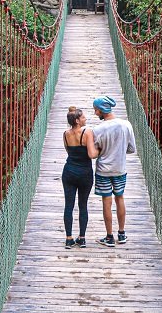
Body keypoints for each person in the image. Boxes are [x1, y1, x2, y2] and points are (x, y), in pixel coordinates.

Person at [90, 95, 136, 247]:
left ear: (102, 110)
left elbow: (96, 150)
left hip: (103, 171)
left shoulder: (97, 129)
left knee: (106, 202)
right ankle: (121, 234)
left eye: (96, 110)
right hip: (120, 169)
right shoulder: (126, 124)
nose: (95, 113)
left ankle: (109, 237)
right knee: (120, 198)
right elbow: (131, 149)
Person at [61, 106, 98, 248]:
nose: (85, 119)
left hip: (69, 172)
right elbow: (91, 154)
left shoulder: (65, 134)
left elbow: (68, 152)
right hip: (85, 174)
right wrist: (101, 150)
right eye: (83, 117)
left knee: (68, 206)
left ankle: (69, 238)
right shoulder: (87, 132)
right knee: (83, 205)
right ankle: (82, 238)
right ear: (77, 120)